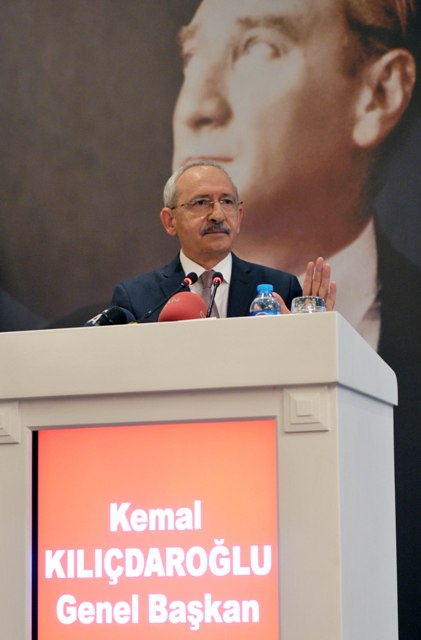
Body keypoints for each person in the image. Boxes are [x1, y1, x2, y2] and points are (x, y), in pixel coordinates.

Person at [171, 2, 421, 637]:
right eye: (192, 55)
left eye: (258, 47)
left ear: (379, 94)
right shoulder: (92, 340)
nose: (196, 106)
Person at [112, 160, 336, 322]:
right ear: (170, 221)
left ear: (239, 217)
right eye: (201, 203)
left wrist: (316, 333)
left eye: (227, 202)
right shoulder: (137, 298)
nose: (217, 215)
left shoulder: (282, 288)